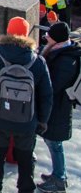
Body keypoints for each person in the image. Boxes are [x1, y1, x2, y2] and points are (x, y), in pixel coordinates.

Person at [0, 17, 53, 193]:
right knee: (25, 159)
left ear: (8, 31)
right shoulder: (37, 61)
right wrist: (43, 120)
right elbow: (46, 95)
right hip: (27, 121)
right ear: (26, 34)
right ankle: (26, 188)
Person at [36, 21, 80, 193]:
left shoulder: (66, 61)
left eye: (49, 37)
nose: (46, 39)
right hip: (55, 108)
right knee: (52, 142)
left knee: (54, 143)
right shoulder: (62, 52)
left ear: (58, 40)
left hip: (58, 109)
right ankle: (58, 174)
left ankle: (59, 179)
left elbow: (53, 86)